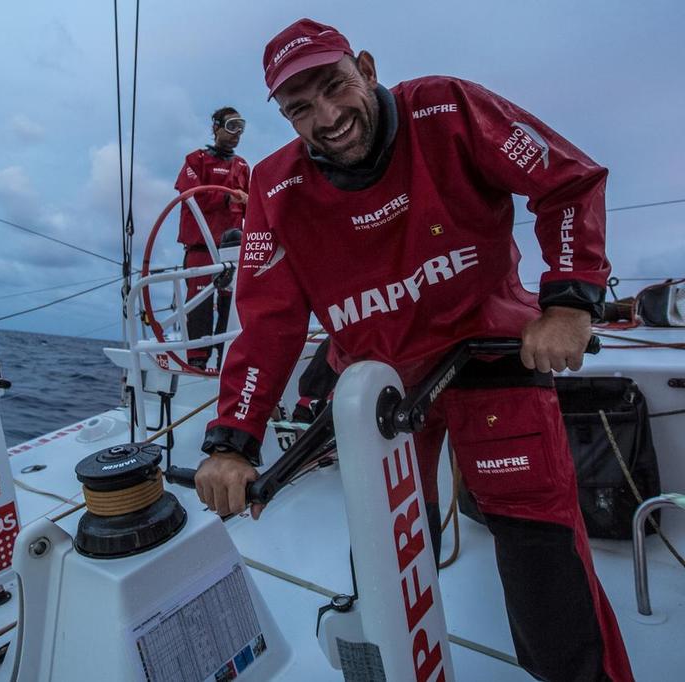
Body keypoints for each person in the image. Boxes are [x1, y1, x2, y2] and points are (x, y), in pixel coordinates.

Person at [194, 18, 633, 682]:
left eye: (335, 86)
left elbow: (566, 179)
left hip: (489, 355)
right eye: (300, 108)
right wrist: (233, 440)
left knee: (541, 559)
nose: (328, 117)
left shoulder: (449, 108)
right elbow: (267, 325)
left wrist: (570, 301)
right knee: (387, 554)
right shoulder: (275, 189)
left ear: (366, 69)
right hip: (381, 390)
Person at [174, 107, 250, 370]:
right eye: (231, 126)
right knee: (199, 302)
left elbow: (253, 207)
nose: (237, 133)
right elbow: (191, 193)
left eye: (241, 127)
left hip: (231, 251)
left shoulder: (242, 167)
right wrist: (227, 196)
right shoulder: (195, 161)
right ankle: (197, 359)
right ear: (216, 127)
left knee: (230, 305)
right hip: (200, 248)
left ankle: (226, 357)